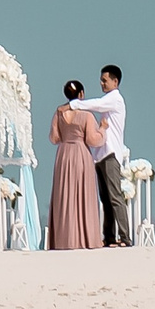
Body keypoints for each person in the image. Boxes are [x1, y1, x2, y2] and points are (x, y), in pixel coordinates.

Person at [69, 65, 130, 246]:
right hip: (101, 154)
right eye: (101, 80)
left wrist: (73, 104)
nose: (102, 83)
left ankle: (125, 237)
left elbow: (95, 104)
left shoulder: (115, 99)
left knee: (115, 197)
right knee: (106, 198)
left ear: (115, 81)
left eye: (105, 80)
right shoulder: (108, 100)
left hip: (110, 153)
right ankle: (109, 236)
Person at [46, 81, 105, 250]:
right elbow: (93, 140)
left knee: (64, 194)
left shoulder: (58, 112)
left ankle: (64, 238)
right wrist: (103, 130)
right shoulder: (86, 115)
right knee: (83, 194)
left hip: (64, 154)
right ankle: (85, 238)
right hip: (80, 154)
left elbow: (54, 138)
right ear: (81, 95)